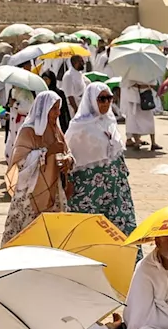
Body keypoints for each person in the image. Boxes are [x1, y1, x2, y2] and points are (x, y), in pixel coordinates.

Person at [65, 83, 137, 237]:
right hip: (89, 191)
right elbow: (69, 155)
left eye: (109, 98)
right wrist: (68, 181)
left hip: (116, 189)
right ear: (91, 100)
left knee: (120, 230)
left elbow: (117, 151)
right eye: (101, 99)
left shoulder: (110, 121)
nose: (106, 103)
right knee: (89, 232)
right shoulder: (78, 126)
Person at [2, 91, 71, 245]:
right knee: (26, 233)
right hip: (30, 191)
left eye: (59, 109)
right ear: (44, 109)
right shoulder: (28, 131)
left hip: (53, 188)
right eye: (54, 109)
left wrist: (68, 159)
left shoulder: (56, 129)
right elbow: (19, 162)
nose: (58, 113)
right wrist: (47, 152)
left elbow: (67, 150)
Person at [122, 80, 160, 151]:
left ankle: (146, 142)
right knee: (136, 121)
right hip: (136, 98)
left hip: (141, 97)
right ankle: (141, 142)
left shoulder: (130, 72)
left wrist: (139, 85)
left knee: (144, 120)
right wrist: (144, 85)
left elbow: (153, 84)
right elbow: (125, 84)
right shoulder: (133, 73)